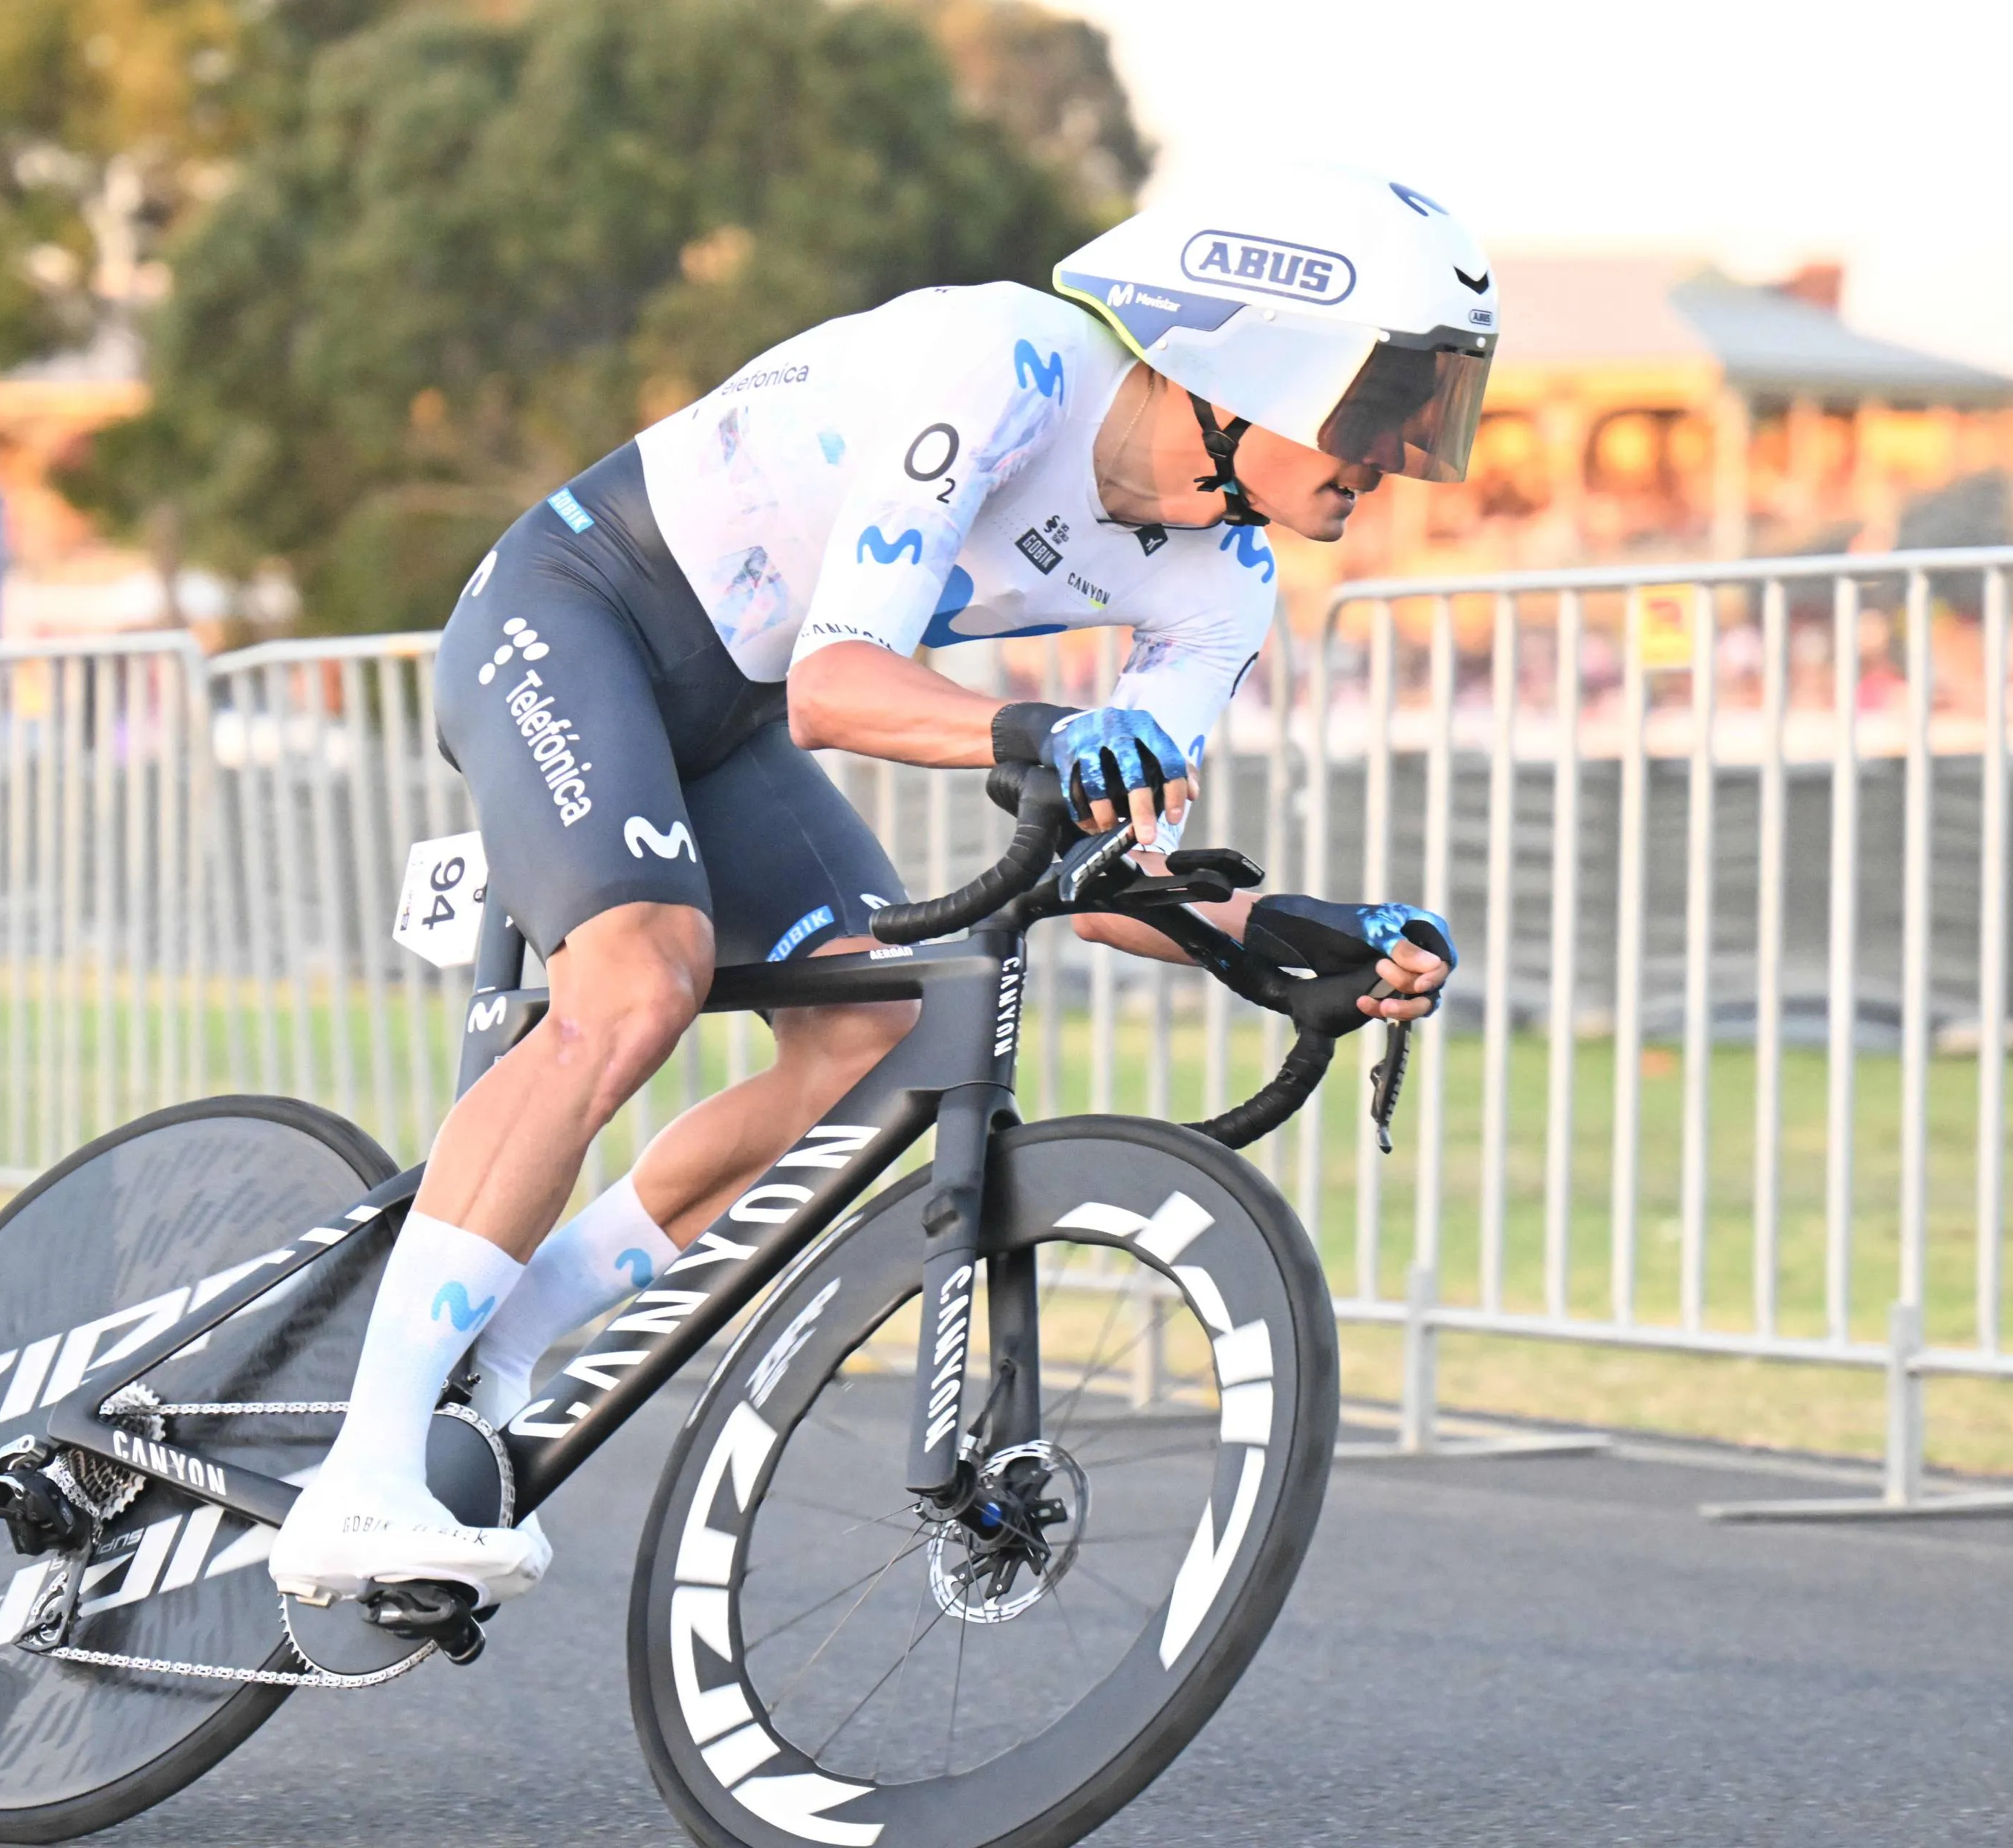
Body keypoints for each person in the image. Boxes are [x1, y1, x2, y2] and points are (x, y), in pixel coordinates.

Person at [269, 164, 1497, 1608]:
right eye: (1381, 400)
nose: (1403, 449)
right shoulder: (1004, 363)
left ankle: (512, 1336)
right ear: (1250, 352)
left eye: (1431, 407)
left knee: (875, 1028)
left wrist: (1285, 939)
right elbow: (843, 685)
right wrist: (1040, 729)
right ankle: (358, 1474)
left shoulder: (1222, 580)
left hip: (723, 711)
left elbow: (1107, 876)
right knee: (639, 980)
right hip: (579, 607)